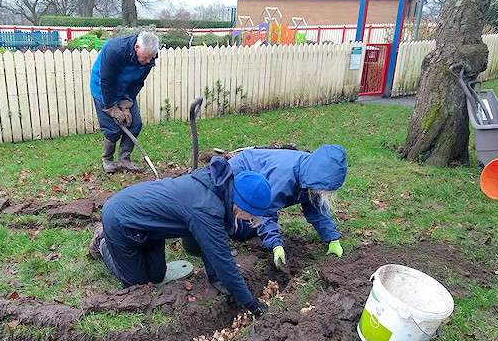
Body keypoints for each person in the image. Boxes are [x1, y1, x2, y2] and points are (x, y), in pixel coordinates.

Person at [88, 157, 272, 316]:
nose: (252, 220)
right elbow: (221, 257)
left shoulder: (219, 187)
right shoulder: (206, 208)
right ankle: (103, 242)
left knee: (157, 277)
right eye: (253, 216)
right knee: (137, 285)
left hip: (150, 228)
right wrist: (251, 304)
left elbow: (209, 244)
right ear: (241, 206)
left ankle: (123, 246)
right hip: (121, 220)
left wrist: (215, 278)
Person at [227, 145, 348, 268]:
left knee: (255, 226)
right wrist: (275, 245)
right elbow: (266, 211)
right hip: (239, 175)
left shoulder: (313, 175)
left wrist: (332, 238)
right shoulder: (284, 179)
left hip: (259, 184)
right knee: (240, 229)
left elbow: (317, 208)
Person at [90, 31, 159, 173]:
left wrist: (126, 103)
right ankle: (108, 160)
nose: (147, 62)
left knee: (135, 124)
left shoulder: (149, 57)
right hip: (103, 90)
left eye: (150, 59)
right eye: (145, 58)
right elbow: (106, 81)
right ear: (136, 47)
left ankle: (124, 160)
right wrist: (111, 108)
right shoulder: (115, 50)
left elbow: (139, 81)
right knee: (113, 130)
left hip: (125, 90)